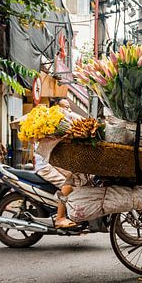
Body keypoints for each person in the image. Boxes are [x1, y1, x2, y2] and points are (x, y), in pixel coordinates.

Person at [35, 98, 82, 228]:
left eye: (69, 107)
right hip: (45, 165)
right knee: (68, 185)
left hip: (52, 163)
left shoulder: (58, 123)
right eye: (65, 107)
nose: (69, 110)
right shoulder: (52, 124)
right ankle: (60, 218)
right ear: (56, 107)